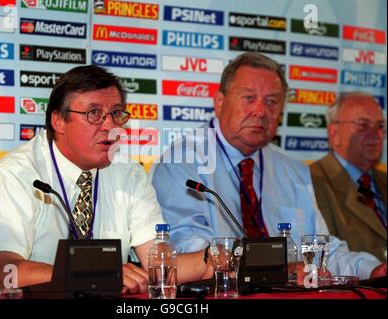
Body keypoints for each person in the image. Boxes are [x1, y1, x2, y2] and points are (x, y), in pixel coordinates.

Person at [0, 65, 211, 294]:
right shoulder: (16, 175)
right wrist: (94, 274)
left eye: (116, 113)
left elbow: (159, 265)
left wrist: (218, 258)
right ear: (58, 121)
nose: (109, 125)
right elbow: (6, 273)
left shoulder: (129, 173)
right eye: (94, 113)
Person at [150, 52, 386, 280]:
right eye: (249, 98)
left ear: (281, 112)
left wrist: (371, 270)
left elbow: (321, 248)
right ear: (220, 103)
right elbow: (190, 250)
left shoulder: (293, 168)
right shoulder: (182, 163)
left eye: (271, 101)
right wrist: (280, 270)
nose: (260, 111)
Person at [310, 92, 387, 262]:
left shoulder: (383, 180)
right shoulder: (311, 182)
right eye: (363, 125)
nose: (376, 134)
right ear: (334, 133)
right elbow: (324, 259)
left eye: (380, 126)